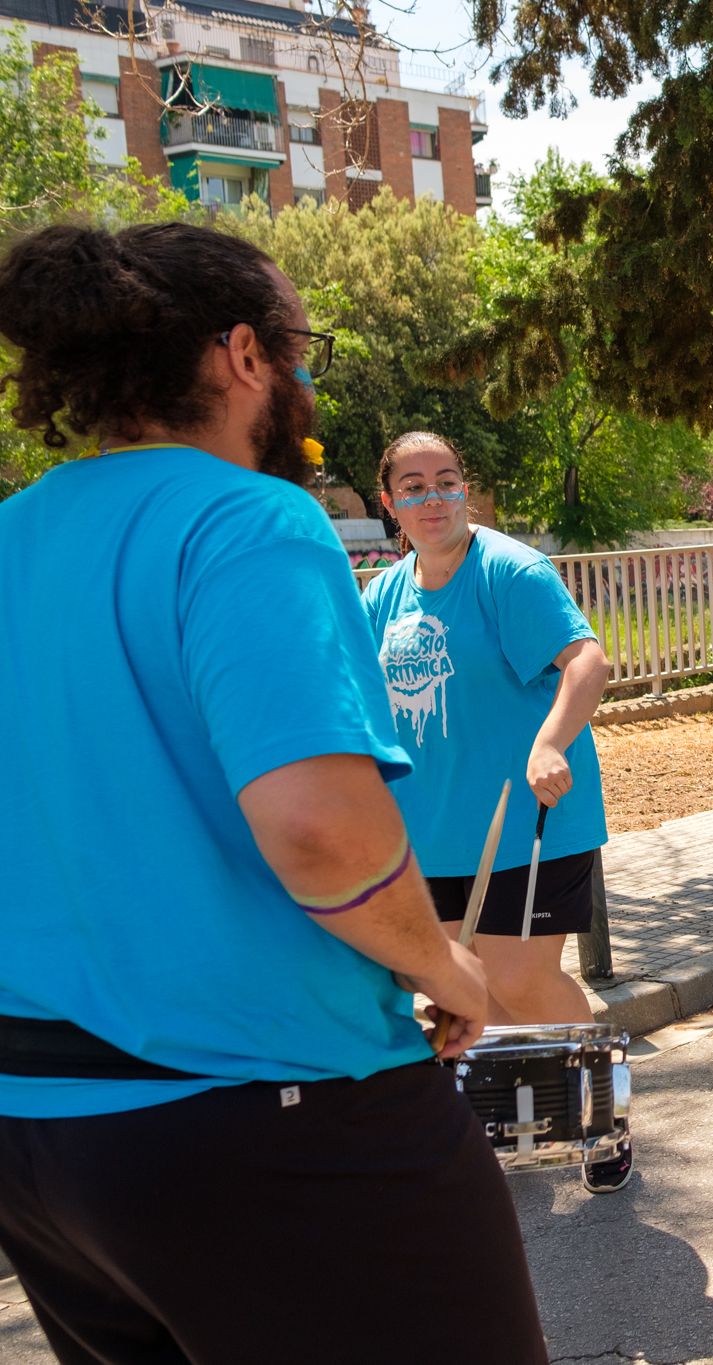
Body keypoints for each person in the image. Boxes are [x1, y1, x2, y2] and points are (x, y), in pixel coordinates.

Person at [0, 223, 546, 1360]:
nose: (307, 378)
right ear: (244, 356)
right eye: (304, 347)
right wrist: (437, 962)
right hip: (269, 1107)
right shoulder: (247, 518)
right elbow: (318, 828)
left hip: (40, 1135)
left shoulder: (14, 536)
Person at [361, 430, 630, 1193]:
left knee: (521, 977)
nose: (432, 496)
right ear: (390, 504)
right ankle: (536, 1114)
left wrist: (551, 740)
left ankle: (603, 1112)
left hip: (526, 821)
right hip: (433, 833)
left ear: (463, 488)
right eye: (412, 486)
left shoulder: (508, 571)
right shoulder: (383, 593)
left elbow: (587, 661)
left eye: (446, 480)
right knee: (471, 985)